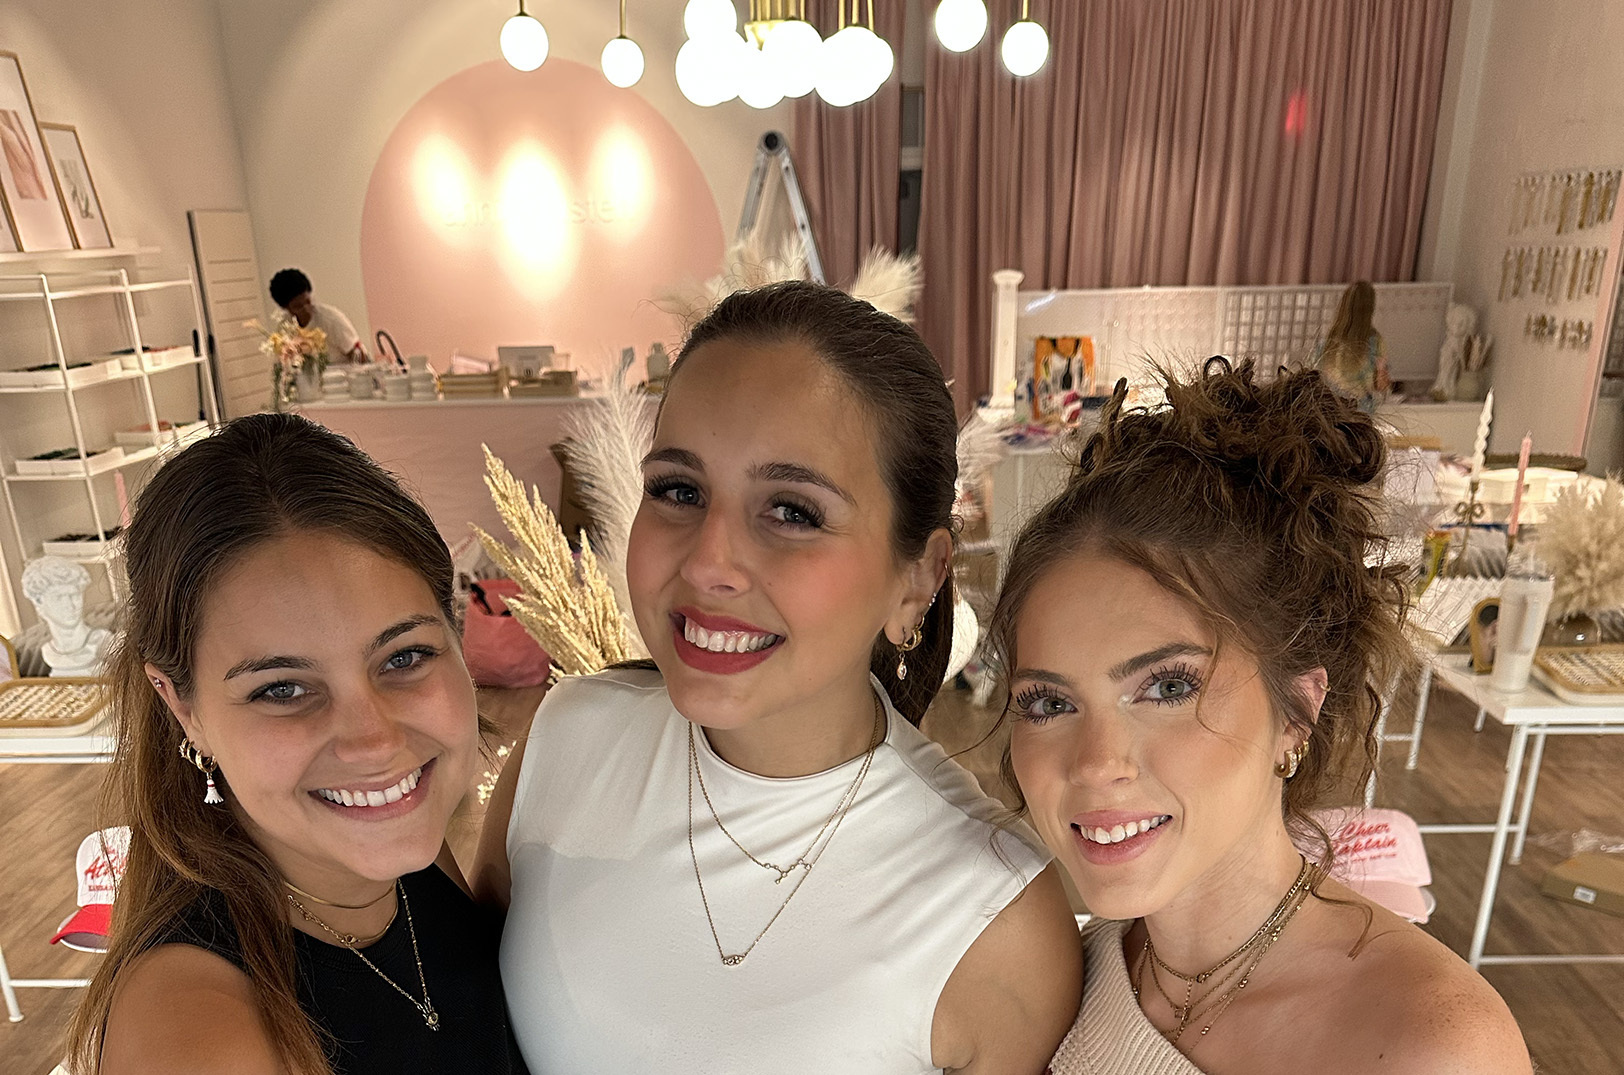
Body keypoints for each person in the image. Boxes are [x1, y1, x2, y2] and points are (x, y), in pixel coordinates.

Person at [474, 281, 1082, 1074]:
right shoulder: (565, 738)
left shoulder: (989, 913)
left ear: (919, 577)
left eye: (792, 510)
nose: (707, 561)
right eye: (679, 490)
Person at [987, 358, 1532, 1075]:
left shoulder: (1433, 1046)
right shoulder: (1064, 977)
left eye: (1167, 687)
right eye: (1050, 702)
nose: (1093, 763)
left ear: (1297, 711)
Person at [68, 413, 527, 1075]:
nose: (376, 739)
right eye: (282, 688)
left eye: (404, 656)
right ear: (181, 707)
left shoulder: (399, 856)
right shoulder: (200, 1038)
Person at [1312, 281, 1389, 411]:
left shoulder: (1326, 345)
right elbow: (1380, 384)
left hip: (1330, 410)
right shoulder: (1375, 343)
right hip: (1361, 412)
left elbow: (1315, 380)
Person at [270, 268, 367, 363]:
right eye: (298, 306)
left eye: (308, 301)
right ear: (286, 308)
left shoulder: (331, 319)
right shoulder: (285, 327)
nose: (306, 309)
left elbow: (358, 353)